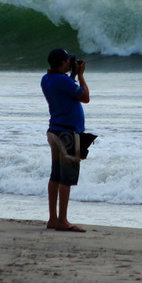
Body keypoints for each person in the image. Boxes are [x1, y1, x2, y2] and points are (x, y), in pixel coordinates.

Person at [41, 47, 90, 232]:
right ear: (62, 63)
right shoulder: (63, 81)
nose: (71, 63)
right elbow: (85, 97)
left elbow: (66, 91)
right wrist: (81, 76)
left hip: (54, 130)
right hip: (67, 133)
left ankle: (53, 219)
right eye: (68, 61)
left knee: (55, 175)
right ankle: (62, 220)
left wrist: (73, 77)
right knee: (66, 178)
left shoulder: (46, 79)